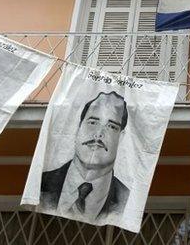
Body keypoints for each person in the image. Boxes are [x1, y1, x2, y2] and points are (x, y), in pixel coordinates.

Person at [40, 91, 131, 220]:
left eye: (111, 126)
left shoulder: (128, 201)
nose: (98, 134)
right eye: (93, 123)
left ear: (121, 138)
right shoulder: (40, 184)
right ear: (78, 128)